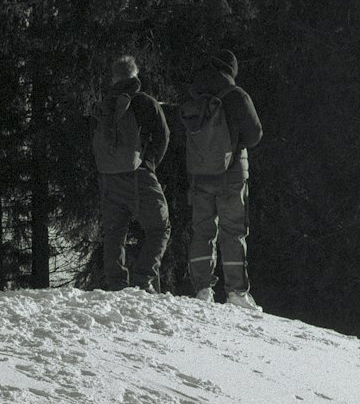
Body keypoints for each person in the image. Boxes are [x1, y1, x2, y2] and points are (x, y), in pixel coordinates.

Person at [181, 49, 262, 309]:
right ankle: (237, 292)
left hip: (199, 173)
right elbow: (255, 133)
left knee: (202, 230)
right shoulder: (235, 95)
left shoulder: (194, 94)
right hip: (231, 172)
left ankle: (203, 289)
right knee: (233, 231)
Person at [91, 55, 171, 292]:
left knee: (115, 232)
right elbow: (163, 136)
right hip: (139, 175)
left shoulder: (105, 105)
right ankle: (143, 279)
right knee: (160, 227)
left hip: (108, 177)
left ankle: (117, 284)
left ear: (114, 78)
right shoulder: (144, 101)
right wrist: (150, 164)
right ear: (135, 75)